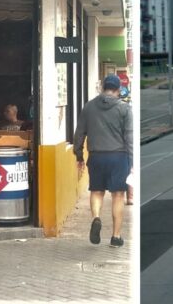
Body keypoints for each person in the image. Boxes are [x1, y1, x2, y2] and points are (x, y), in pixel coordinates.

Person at [74, 74, 133, 247]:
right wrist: (133, 162)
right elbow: (129, 137)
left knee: (97, 191)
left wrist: (79, 156)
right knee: (118, 196)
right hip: (118, 156)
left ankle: (96, 218)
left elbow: (79, 134)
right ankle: (116, 237)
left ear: (102, 88)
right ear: (117, 89)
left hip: (97, 156)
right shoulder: (124, 109)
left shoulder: (89, 107)